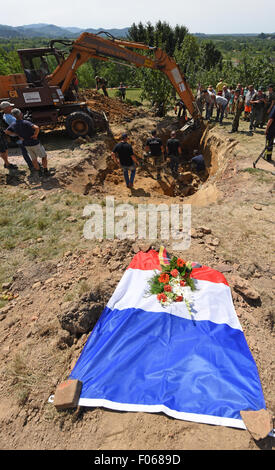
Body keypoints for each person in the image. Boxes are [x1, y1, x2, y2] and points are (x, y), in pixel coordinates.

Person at [5, 108, 50, 177]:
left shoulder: (13, 124)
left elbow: (7, 132)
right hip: (34, 143)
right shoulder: (25, 122)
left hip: (26, 144)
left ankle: (39, 172)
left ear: (13, 116)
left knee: (33, 159)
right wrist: (35, 135)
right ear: (21, 114)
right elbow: (37, 127)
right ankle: (46, 171)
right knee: (44, 156)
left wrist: (17, 135)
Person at [0, 101, 34, 173]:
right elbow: (18, 125)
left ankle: (32, 164)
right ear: (5, 108)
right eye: (10, 106)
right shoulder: (9, 117)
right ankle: (31, 165)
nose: (11, 107)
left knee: (25, 151)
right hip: (19, 136)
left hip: (16, 136)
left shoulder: (6, 115)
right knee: (26, 151)